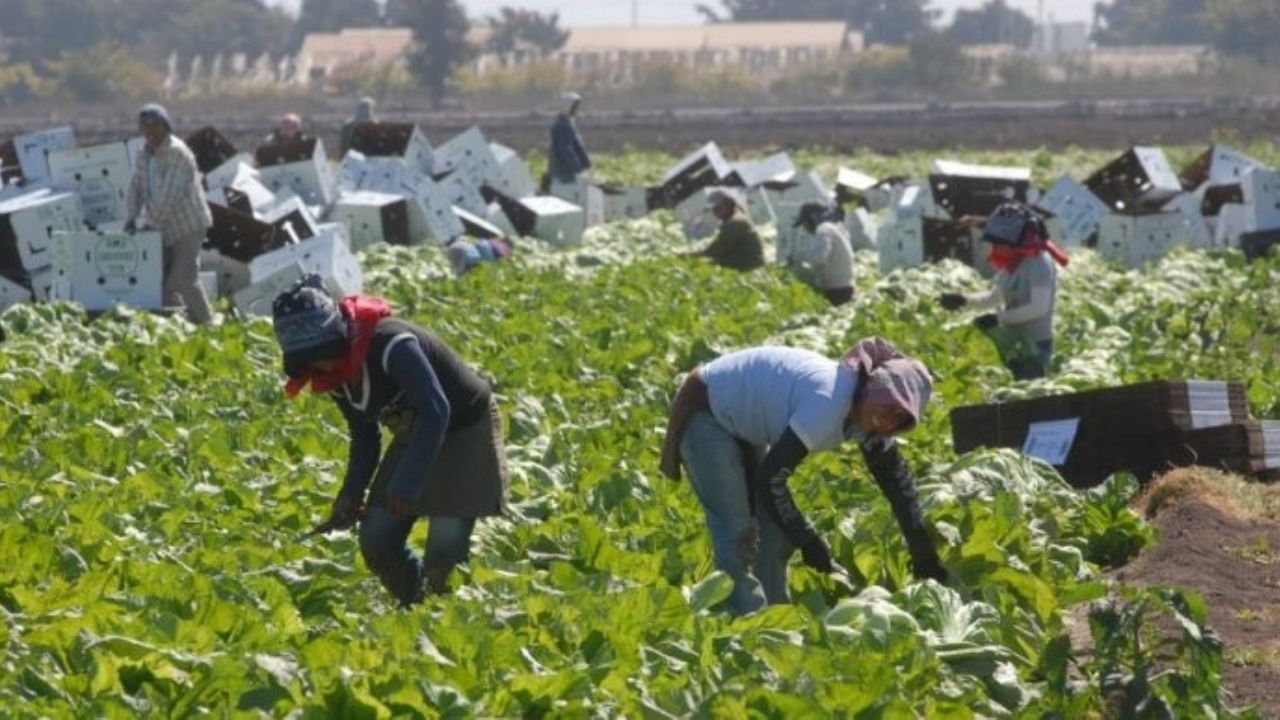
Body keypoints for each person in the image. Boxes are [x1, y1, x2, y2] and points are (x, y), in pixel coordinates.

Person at [659, 338, 947, 616]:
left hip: (742, 420)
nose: (887, 419)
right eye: (887, 403)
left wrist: (925, 556)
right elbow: (771, 478)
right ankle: (746, 625)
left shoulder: (870, 421)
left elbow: (898, 487)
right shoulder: (830, 400)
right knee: (736, 530)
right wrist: (809, 541)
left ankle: (773, 617)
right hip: (706, 410)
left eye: (899, 417)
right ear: (875, 387)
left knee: (774, 532)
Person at [272, 274, 509, 605]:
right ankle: (415, 605)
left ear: (337, 336)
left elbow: (436, 410)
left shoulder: (391, 344)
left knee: (444, 552)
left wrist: (408, 484)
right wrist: (350, 494)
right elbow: (364, 436)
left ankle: (441, 619)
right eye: (310, 358)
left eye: (324, 352)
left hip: (465, 429)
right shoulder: (332, 374)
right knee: (377, 538)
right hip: (416, 432)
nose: (321, 363)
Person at [938, 202, 1068, 380]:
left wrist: (999, 318)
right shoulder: (1012, 264)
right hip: (1014, 342)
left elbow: (1038, 308)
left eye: (1003, 244)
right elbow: (994, 298)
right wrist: (964, 300)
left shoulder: (1039, 263)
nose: (998, 248)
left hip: (1034, 347)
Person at [124, 103, 213, 325]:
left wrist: (149, 226)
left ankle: (207, 324)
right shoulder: (143, 153)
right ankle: (178, 322)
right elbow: (136, 186)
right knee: (158, 280)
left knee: (184, 278)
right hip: (161, 225)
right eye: (144, 126)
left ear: (165, 126)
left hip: (187, 225)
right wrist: (131, 217)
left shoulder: (177, 153)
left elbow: (169, 196)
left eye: (154, 126)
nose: (150, 131)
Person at [788, 201, 856, 306]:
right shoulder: (835, 227)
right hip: (845, 287)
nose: (805, 228)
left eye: (805, 223)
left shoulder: (824, 230)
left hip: (836, 291)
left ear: (813, 218)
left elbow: (819, 258)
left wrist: (797, 256)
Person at [682, 189, 765, 272]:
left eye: (718, 208)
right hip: (745, 267)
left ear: (728, 204)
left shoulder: (735, 223)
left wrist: (685, 256)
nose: (715, 212)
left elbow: (714, 251)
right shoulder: (734, 220)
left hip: (750, 270)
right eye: (714, 210)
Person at [545, 92, 591, 192]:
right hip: (562, 174)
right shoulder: (561, 125)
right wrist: (577, 168)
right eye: (574, 106)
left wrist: (586, 163)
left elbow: (576, 145)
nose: (576, 110)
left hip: (567, 174)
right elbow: (565, 149)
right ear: (567, 106)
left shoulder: (568, 122)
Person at [444, 236, 511, 278]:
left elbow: (476, 243)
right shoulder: (491, 259)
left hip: (460, 248)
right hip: (465, 257)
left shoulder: (486, 242)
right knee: (455, 274)